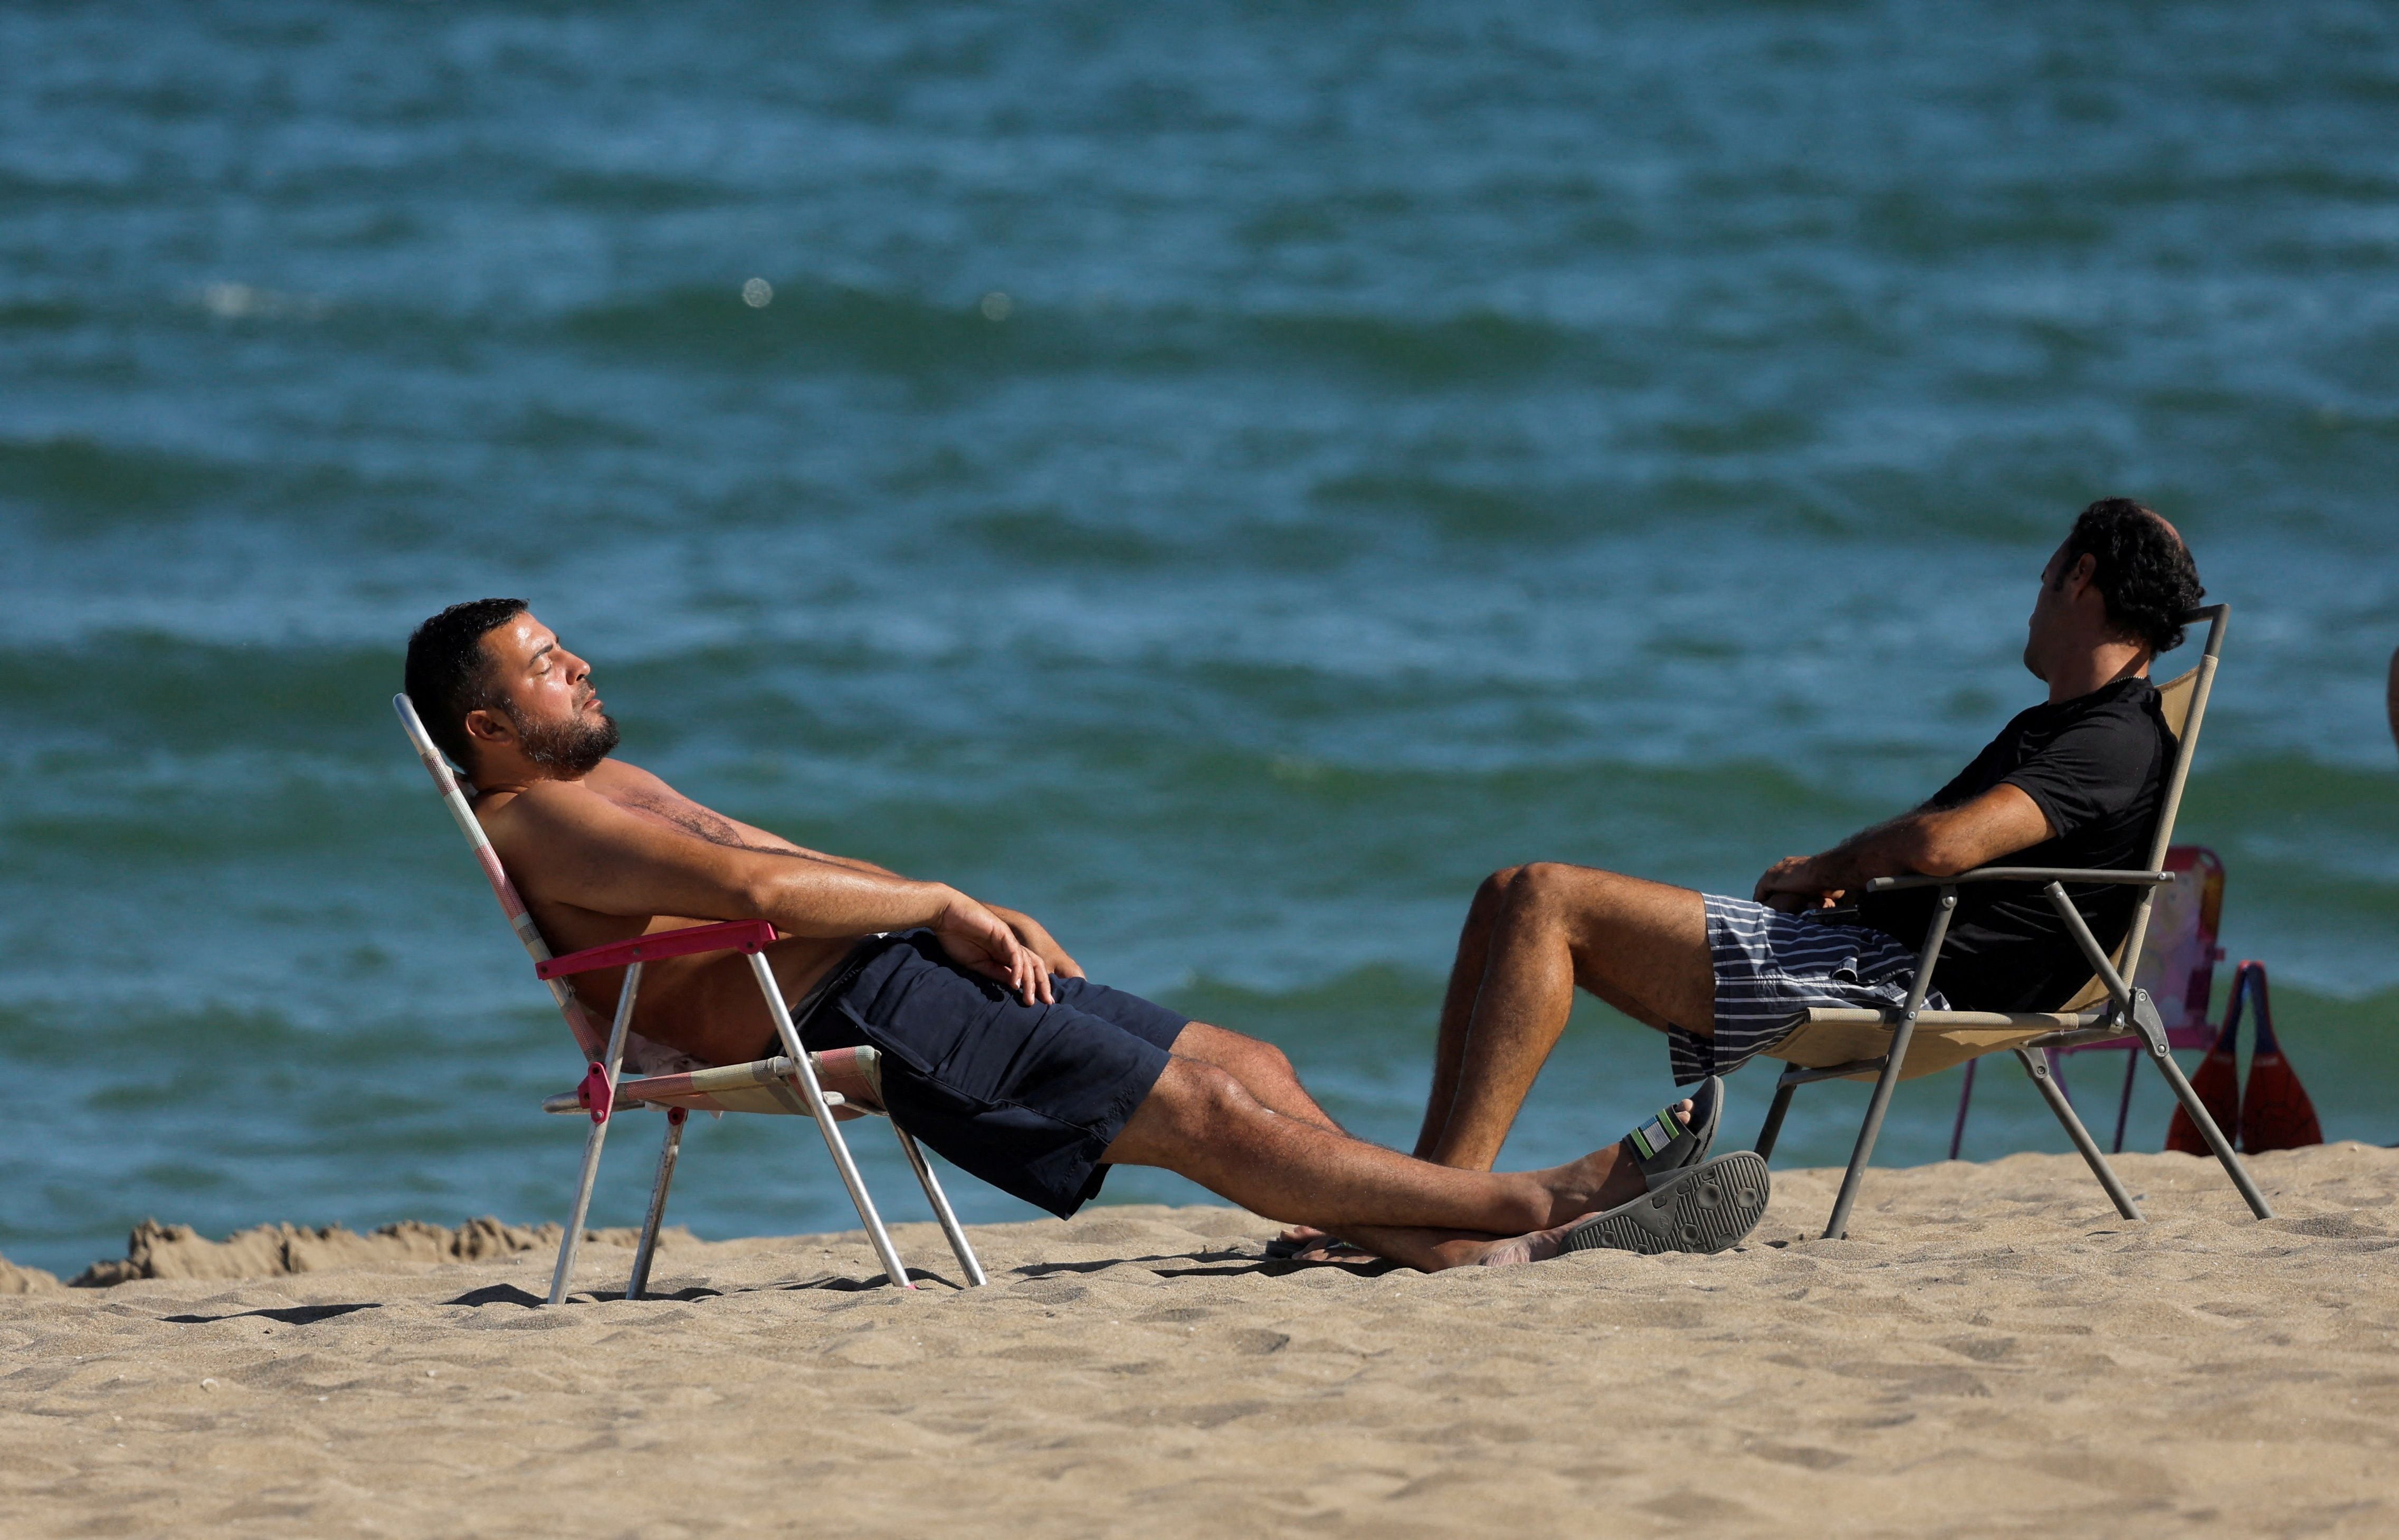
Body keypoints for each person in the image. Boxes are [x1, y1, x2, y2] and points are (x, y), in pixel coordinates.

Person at [402, 600, 1769, 1274]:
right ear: (487, 725)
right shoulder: (541, 819)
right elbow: (740, 883)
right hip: (842, 1013)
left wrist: (963, 910)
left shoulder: (595, 782)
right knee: (1200, 1112)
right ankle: (1540, 1203)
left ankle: (1431, 1239)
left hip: (891, 967)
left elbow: (788, 867)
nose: (579, 664)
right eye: (547, 664)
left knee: (1249, 1062)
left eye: (565, 649)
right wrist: (937, 902)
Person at [1404, 498, 2203, 1173]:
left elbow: (1943, 847)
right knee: (1503, 894)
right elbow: (1939, 852)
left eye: (2043, 577)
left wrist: (1826, 867)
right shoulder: (2061, 727)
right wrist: (1847, 885)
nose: (2032, 604)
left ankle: (1448, 1201)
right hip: (1867, 947)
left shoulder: (2113, 740)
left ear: (2080, 577)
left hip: (1898, 979)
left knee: (1545, 897)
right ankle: (1417, 1187)